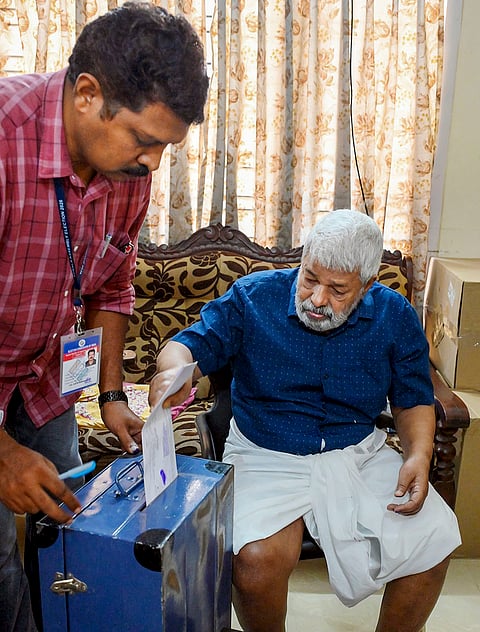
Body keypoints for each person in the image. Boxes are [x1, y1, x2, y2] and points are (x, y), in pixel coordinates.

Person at [149, 209, 461, 632]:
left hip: (355, 451)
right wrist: (174, 372)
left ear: (367, 286)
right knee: (256, 560)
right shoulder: (253, 297)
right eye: (310, 278)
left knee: (435, 535)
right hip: (264, 449)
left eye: (337, 290)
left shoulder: (394, 315)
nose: (317, 299)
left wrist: (418, 457)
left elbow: (413, 399)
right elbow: (188, 345)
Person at [0, 2, 208, 630]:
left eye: (166, 147)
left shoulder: (127, 170)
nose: (152, 164)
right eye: (145, 141)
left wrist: (112, 392)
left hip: (42, 382)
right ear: (87, 94)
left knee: (62, 532)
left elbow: (113, 283)